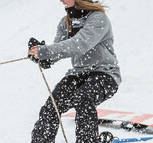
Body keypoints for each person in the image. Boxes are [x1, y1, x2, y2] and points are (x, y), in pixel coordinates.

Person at [28, 0, 121, 142]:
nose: (61, 0)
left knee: (83, 97)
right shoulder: (66, 22)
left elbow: (80, 43)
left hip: (105, 74)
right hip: (78, 74)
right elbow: (59, 48)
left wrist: (47, 52)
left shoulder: (98, 18)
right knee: (53, 105)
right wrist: (42, 57)